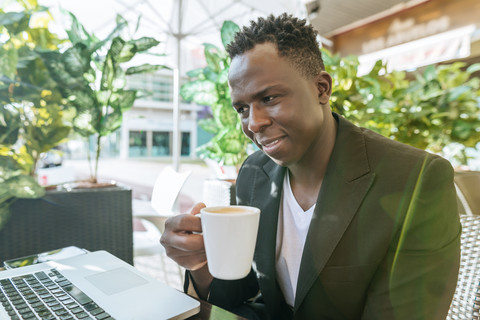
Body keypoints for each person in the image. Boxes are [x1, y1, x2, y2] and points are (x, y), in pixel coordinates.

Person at [160, 13, 461, 319]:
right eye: (242, 108)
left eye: (269, 97)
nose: (254, 123)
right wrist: (201, 264)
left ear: (322, 89)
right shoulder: (254, 172)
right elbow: (239, 296)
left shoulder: (415, 181)